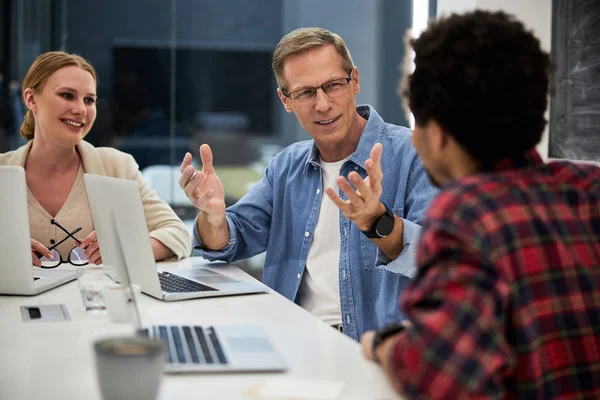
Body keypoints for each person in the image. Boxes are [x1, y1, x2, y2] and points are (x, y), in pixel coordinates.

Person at [361, 10, 600, 398]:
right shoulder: (589, 188)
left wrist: (382, 344)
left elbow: (434, 377)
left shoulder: (467, 214)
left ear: (437, 135)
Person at [179, 28, 437, 340]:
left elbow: (435, 261)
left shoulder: (413, 154)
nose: (323, 104)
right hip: (293, 339)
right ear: (285, 100)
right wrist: (212, 215)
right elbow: (228, 241)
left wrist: (377, 221)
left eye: (333, 85)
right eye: (305, 93)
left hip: (378, 351)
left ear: (354, 80)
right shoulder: (287, 166)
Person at [0, 51, 191, 267]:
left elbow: (178, 234)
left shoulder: (116, 167)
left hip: (96, 299)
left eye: (89, 100)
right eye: (67, 95)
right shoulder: (2, 170)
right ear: (31, 99)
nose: (81, 109)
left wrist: (126, 247)